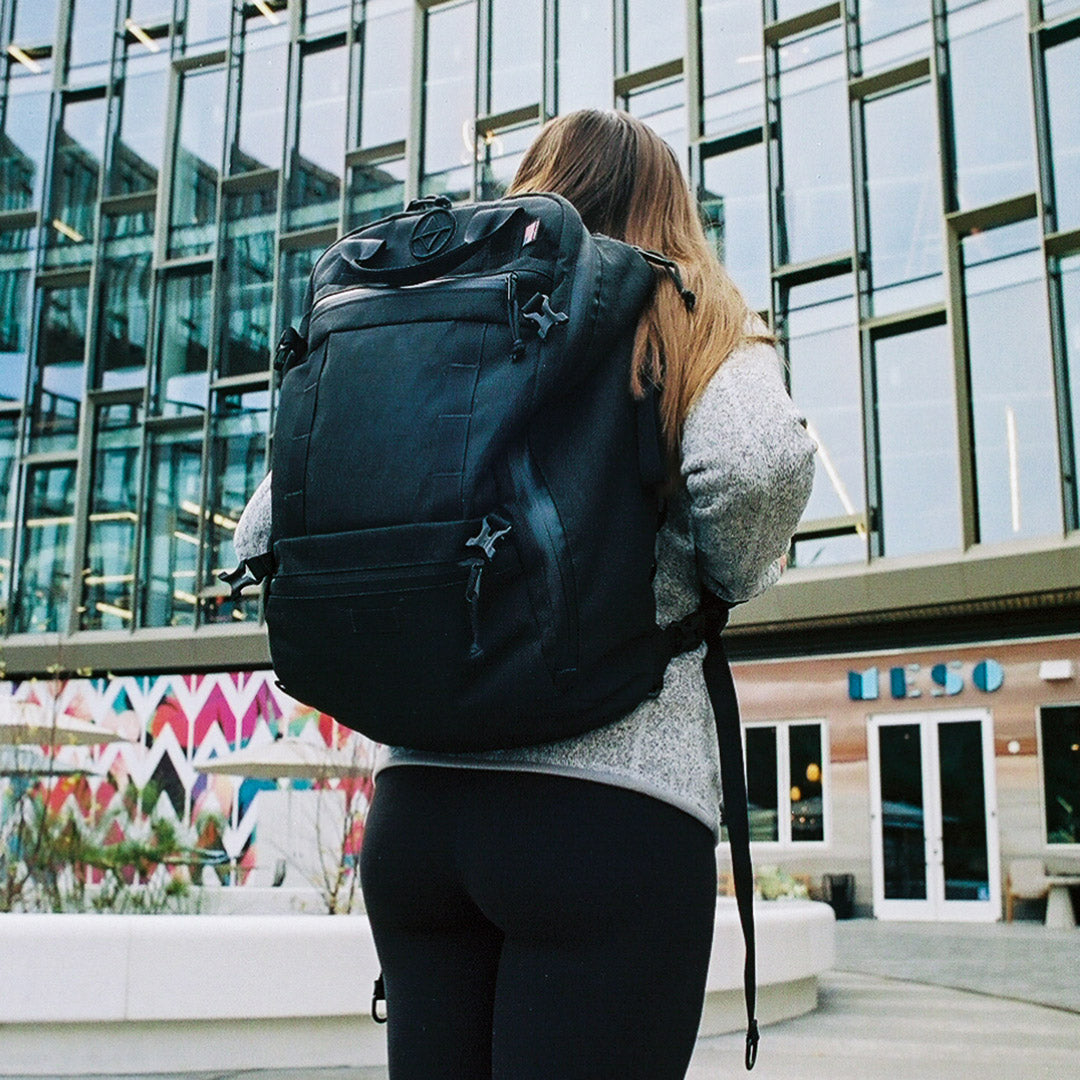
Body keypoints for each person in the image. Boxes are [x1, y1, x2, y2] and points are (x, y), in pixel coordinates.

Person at [234, 109, 815, 1079]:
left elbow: (266, 529)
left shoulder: (434, 321)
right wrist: (725, 575)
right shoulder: (683, 306)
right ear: (675, 209)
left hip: (418, 816)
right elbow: (756, 462)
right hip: (608, 816)